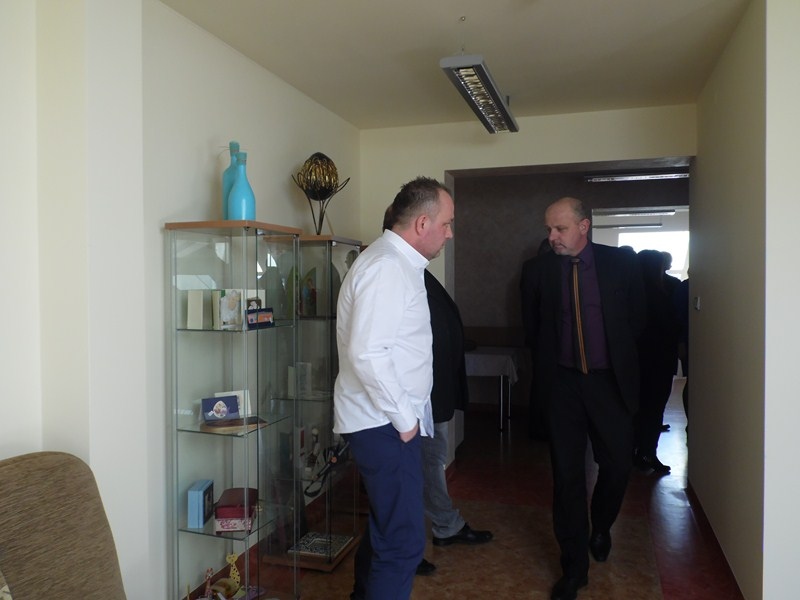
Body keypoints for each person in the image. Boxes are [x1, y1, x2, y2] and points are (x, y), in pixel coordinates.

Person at [334, 176, 454, 600]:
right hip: (383, 423)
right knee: (403, 542)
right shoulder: (386, 267)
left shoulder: (398, 264)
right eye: (447, 223)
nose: (449, 233)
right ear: (423, 223)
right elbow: (367, 352)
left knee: (388, 528)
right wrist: (405, 421)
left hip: (387, 421)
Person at [519, 197, 646, 600]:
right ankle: (574, 568)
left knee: (618, 464)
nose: (552, 237)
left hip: (609, 384)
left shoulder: (620, 264)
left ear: (584, 226)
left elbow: (637, 321)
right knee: (567, 476)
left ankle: (601, 525)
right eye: (549, 229)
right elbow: (532, 329)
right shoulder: (537, 271)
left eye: (560, 229)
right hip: (563, 386)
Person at [633, 249, 679, 474]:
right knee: (654, 409)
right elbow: (671, 328)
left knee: (636, 408)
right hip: (659, 361)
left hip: (635, 361)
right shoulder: (662, 295)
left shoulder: (631, 294)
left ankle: (632, 451)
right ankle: (647, 453)